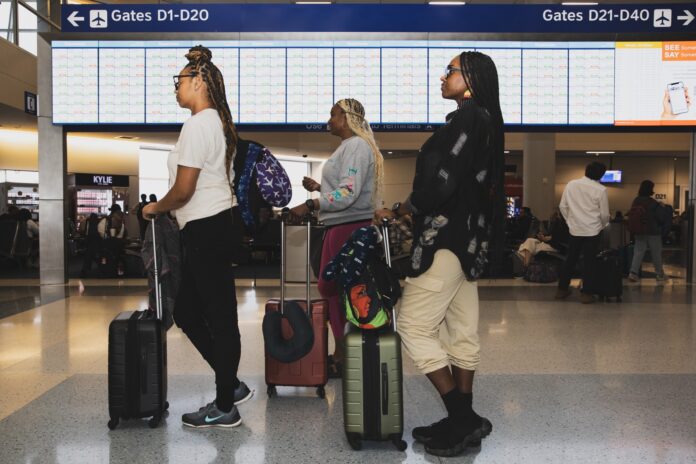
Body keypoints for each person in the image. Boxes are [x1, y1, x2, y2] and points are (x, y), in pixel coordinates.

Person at [374, 51, 503, 457]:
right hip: (469, 244)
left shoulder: (468, 119)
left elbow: (443, 179)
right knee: (461, 331)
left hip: (446, 240)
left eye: (449, 71)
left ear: (470, 80)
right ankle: (463, 419)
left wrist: (405, 207)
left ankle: (461, 420)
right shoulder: (486, 121)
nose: (442, 77)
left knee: (413, 325)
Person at [142, 45, 252, 428]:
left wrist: (155, 207)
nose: (176, 88)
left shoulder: (199, 123)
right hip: (209, 226)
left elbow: (184, 189)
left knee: (219, 317)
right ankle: (231, 384)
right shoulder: (214, 123)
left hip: (208, 225)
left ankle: (226, 405)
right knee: (188, 310)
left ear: (200, 81)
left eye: (181, 80)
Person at [289, 98, 384, 378]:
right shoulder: (350, 147)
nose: (328, 120)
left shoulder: (356, 145)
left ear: (347, 117)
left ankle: (346, 356)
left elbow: (348, 194)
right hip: (343, 225)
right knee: (337, 292)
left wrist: (311, 204)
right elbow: (347, 188)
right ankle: (342, 354)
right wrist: (320, 188)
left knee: (335, 290)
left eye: (333, 114)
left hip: (347, 228)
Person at [555, 161, 610, 304]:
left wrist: (570, 221)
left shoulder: (571, 184)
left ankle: (561, 290)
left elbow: (562, 206)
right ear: (601, 175)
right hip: (593, 230)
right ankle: (587, 294)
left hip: (575, 229)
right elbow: (604, 214)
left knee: (570, 259)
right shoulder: (601, 190)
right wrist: (602, 225)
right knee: (589, 262)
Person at [628, 180, 666, 282]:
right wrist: (662, 207)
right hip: (653, 231)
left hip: (639, 230)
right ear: (651, 189)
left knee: (638, 252)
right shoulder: (653, 202)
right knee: (656, 253)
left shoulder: (636, 200)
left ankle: (633, 273)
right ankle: (659, 274)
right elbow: (660, 218)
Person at [80, 213, 102, 278]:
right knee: (95, 257)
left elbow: (84, 232)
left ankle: (85, 271)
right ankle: (101, 268)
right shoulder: (98, 223)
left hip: (90, 244)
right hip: (97, 244)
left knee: (88, 257)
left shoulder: (88, 222)